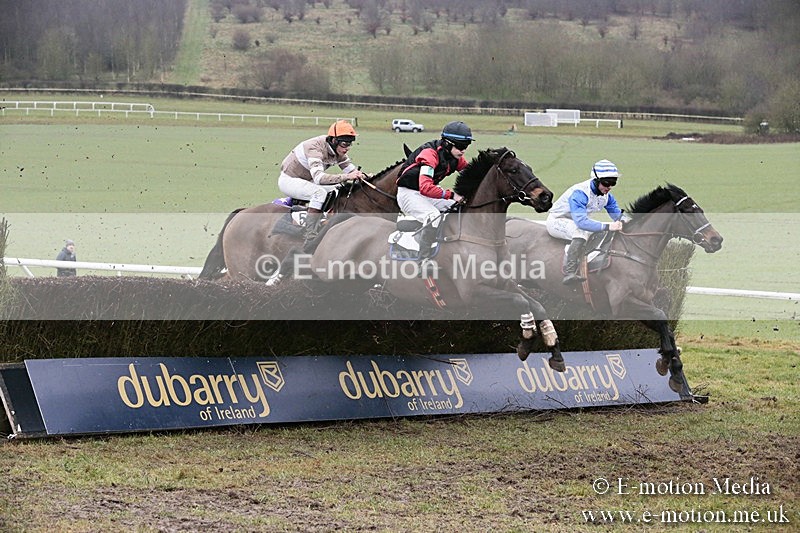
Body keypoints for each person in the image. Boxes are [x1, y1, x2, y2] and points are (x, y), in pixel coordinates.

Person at [278, 120, 366, 244]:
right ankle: (310, 233)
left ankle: (326, 220)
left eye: (350, 144)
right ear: (334, 141)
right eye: (345, 144)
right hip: (290, 180)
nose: (347, 149)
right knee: (319, 193)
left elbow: (353, 171)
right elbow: (319, 179)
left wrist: (368, 177)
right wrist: (347, 177)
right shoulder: (315, 148)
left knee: (339, 188)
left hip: (308, 181)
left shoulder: (338, 150)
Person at [396, 121, 473, 259]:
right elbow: (425, 188)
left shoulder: (455, 157)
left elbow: (472, 173)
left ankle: (420, 225)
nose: (463, 150)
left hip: (426, 193)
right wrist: (451, 195)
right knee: (432, 216)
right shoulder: (430, 154)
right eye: (460, 146)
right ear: (448, 144)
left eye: (466, 146)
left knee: (458, 208)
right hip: (409, 194)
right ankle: (423, 259)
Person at [546, 159, 624, 285]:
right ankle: (569, 272)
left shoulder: (606, 196)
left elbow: (617, 214)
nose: (609, 187)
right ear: (596, 180)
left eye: (613, 183)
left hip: (576, 222)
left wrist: (631, 222)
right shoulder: (580, 193)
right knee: (581, 232)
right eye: (606, 183)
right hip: (558, 221)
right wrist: (609, 226)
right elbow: (581, 222)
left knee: (599, 232)